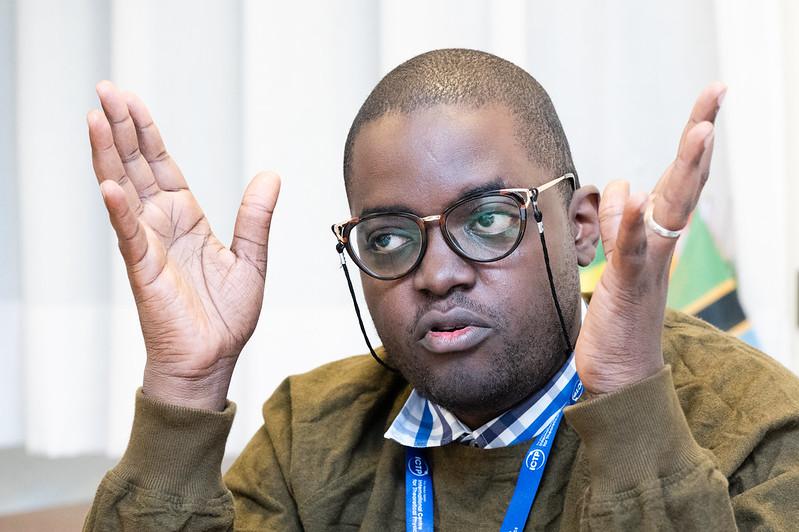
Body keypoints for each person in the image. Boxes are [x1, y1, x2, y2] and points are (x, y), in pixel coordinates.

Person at [83, 49, 799, 531]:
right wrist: (185, 388)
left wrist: (625, 401)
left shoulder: (755, 423)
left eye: (487, 220)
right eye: (389, 238)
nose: (437, 273)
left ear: (580, 229)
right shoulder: (311, 435)